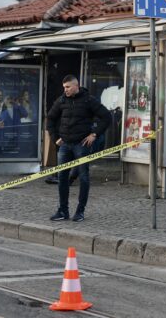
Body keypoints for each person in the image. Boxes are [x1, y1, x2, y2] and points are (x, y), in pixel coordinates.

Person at [47, 75, 111, 222]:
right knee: (62, 178)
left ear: (76, 86)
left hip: (81, 145)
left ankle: (80, 211)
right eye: (64, 87)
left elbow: (107, 117)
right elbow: (50, 118)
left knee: (83, 177)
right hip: (64, 145)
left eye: (68, 87)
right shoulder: (61, 100)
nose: (65, 90)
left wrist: (94, 134)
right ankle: (63, 211)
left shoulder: (89, 100)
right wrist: (55, 138)